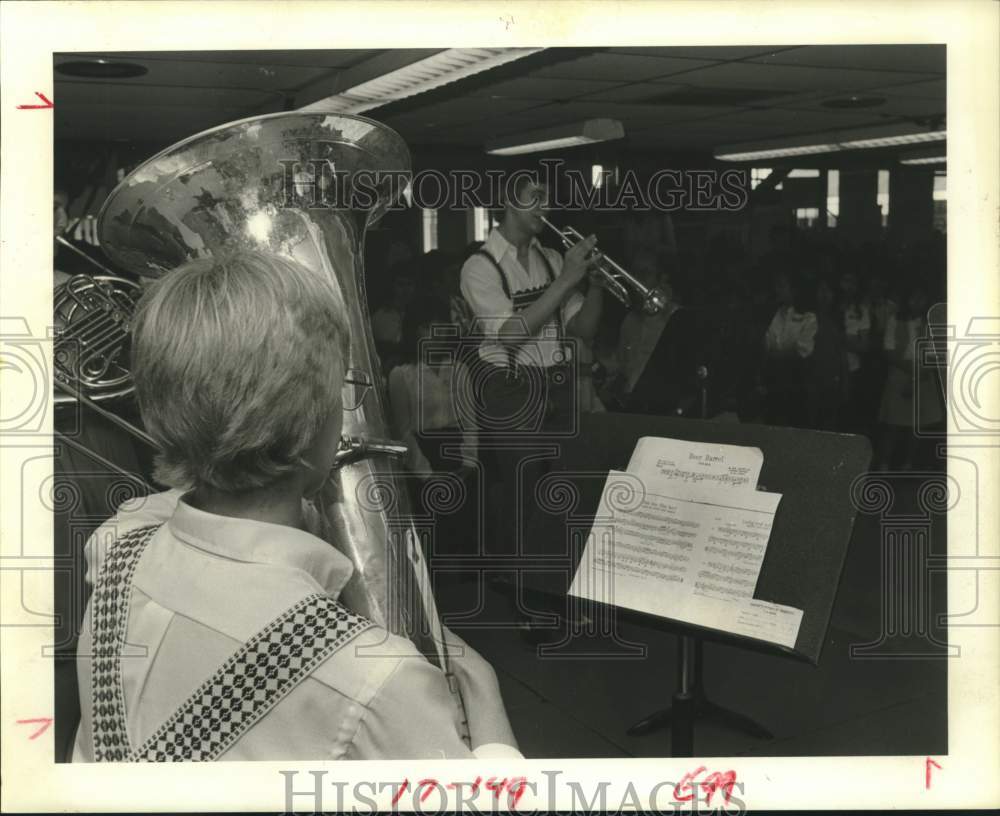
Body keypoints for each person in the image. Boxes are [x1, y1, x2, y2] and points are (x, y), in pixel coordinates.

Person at [73, 251, 519, 761]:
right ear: (316, 424)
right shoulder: (377, 678)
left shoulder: (116, 539)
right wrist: (485, 695)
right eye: (339, 390)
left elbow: (172, 504)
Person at [459, 173, 603, 636]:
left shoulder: (551, 257)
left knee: (562, 493)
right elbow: (512, 334)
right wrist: (565, 281)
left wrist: (596, 283)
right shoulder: (479, 266)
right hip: (510, 386)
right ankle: (530, 603)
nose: (546, 205)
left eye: (548, 195)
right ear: (508, 201)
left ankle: (559, 593)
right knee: (525, 496)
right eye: (535, 196)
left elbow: (583, 331)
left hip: (556, 381)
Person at [762, 270, 817, 427]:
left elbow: (802, 351)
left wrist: (781, 352)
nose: (777, 290)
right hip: (774, 384)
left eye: (781, 286)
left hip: (796, 386)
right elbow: (768, 344)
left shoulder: (809, 317)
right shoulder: (777, 313)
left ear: (794, 289)